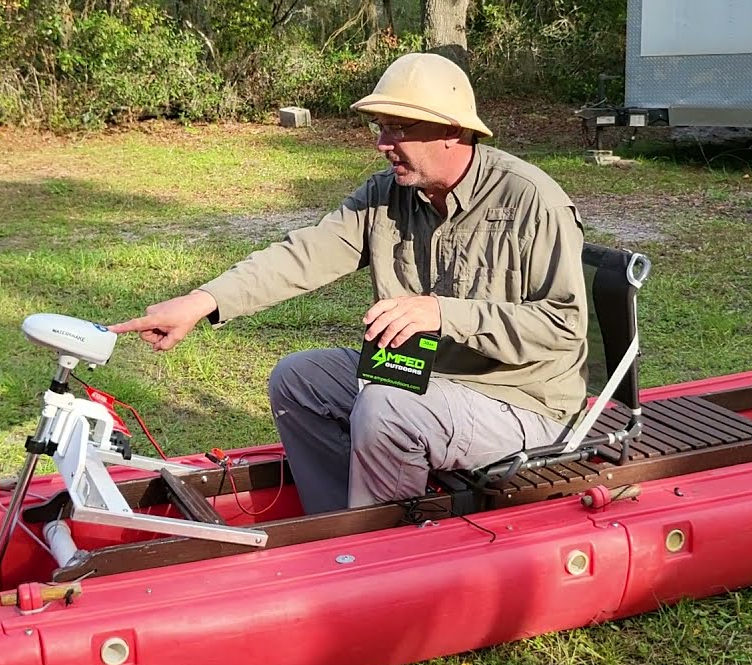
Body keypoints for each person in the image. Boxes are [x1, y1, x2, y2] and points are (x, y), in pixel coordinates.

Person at [110, 52, 588, 514]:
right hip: (424, 378)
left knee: (388, 407)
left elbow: (564, 327)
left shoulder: (531, 201)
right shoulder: (389, 194)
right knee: (298, 380)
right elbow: (304, 254)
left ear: (452, 131)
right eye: (380, 127)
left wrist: (442, 313)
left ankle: (380, 552)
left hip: (522, 404)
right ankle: (338, 524)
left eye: (399, 128)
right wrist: (202, 301)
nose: (383, 143)